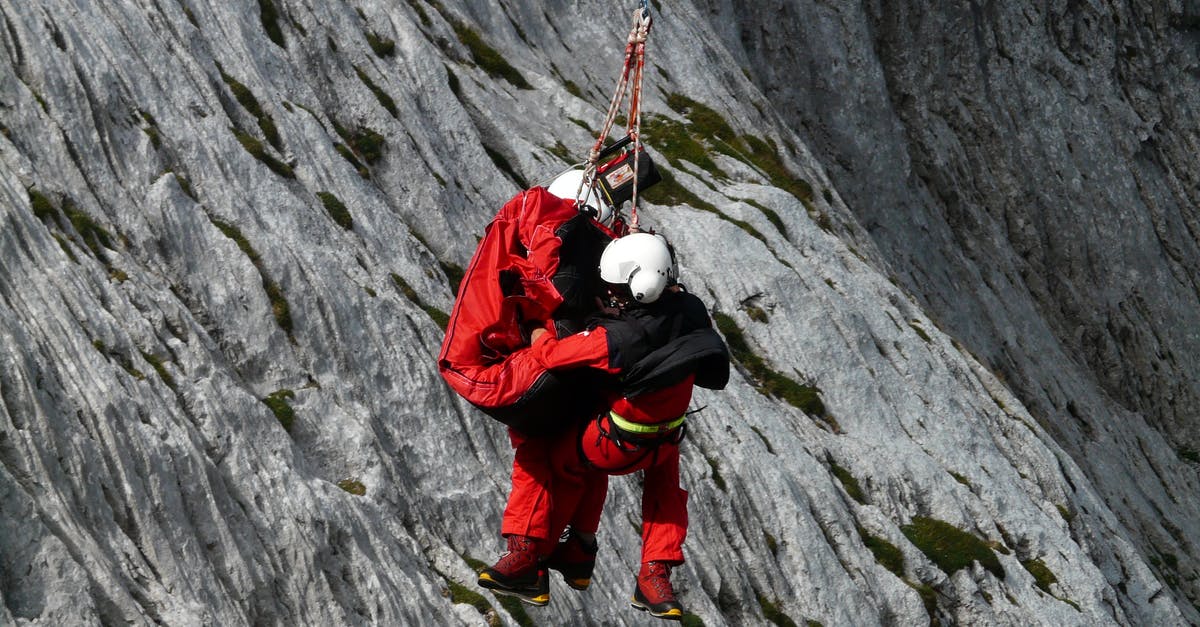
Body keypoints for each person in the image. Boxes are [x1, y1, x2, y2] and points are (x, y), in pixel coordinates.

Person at [478, 233, 730, 620]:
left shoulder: (615, 340)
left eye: (616, 289)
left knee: (544, 454)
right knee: (663, 491)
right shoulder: (690, 309)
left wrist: (534, 323)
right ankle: (652, 576)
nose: (611, 295)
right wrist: (617, 306)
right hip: (665, 440)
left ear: (634, 288)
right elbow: (653, 316)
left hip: (613, 446)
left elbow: (550, 355)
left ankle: (529, 557)